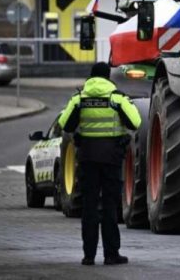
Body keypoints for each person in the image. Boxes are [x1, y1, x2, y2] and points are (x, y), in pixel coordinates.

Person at [58, 62, 141, 266]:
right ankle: (111, 254)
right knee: (110, 207)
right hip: (112, 160)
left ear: (91, 77)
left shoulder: (79, 99)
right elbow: (136, 122)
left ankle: (88, 256)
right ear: (107, 78)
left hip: (87, 159)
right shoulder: (117, 99)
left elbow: (64, 124)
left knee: (89, 208)